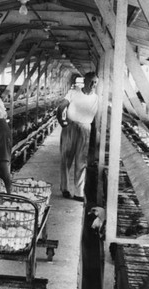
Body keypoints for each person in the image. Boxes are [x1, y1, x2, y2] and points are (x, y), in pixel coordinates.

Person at [56, 72, 99, 201]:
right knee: (66, 158)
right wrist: (62, 122)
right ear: (84, 81)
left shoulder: (96, 98)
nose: (93, 85)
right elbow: (61, 107)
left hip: (86, 128)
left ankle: (79, 193)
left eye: (95, 82)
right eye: (91, 81)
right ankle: (65, 188)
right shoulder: (73, 93)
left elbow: (97, 117)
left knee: (81, 161)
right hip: (71, 126)